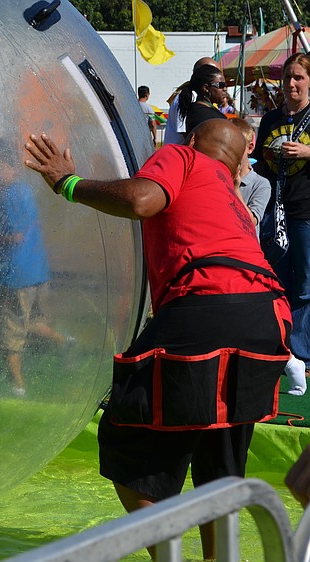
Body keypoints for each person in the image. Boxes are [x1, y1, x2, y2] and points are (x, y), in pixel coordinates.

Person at [24, 119, 292, 561]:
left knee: (124, 436)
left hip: (207, 304)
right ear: (238, 160)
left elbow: (142, 200)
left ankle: (168, 552)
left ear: (189, 141)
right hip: (268, 315)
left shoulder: (184, 158)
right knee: (220, 457)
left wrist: (66, 182)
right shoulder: (235, 198)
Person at [0, 139, 63, 396]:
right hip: (36, 273)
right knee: (31, 321)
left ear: (13, 168)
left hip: (16, 278)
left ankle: (17, 387)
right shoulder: (23, 191)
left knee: (9, 336)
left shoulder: (7, 196)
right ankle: (66, 345)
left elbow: (16, 236)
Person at [234, 118, 306, 395]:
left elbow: (248, 220)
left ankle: (289, 361)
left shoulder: (259, 183)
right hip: (220, 258)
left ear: (249, 147)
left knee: (255, 319)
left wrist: (235, 184)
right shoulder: (216, 176)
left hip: (246, 260)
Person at [253, 53, 310, 381]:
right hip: (275, 212)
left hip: (305, 211)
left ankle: (301, 353)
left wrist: (306, 152)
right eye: (288, 77)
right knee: (276, 279)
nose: (291, 83)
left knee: (304, 282)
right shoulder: (270, 119)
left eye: (298, 77)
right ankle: (281, 349)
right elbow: (259, 160)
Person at [164, 57, 220, 145]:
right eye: (213, 71)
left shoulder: (200, 97)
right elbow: (186, 134)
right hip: (180, 155)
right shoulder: (187, 96)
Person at [176, 64, 228, 139]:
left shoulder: (199, 110)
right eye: (221, 85)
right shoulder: (204, 115)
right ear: (206, 88)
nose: (225, 89)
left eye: (225, 85)